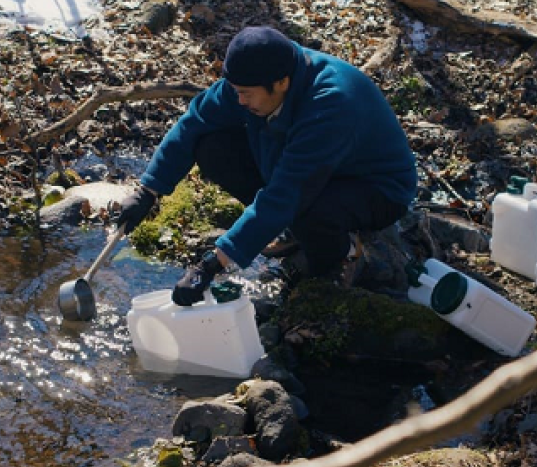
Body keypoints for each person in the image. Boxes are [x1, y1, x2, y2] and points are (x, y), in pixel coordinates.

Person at [118, 26, 417, 306]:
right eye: (235, 90)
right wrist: (148, 191)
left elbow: (287, 193)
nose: (239, 99)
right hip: (306, 168)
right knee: (212, 147)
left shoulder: (331, 103)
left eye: (246, 93)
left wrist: (212, 264)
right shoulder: (253, 79)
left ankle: (344, 254)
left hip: (376, 188)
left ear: (282, 83)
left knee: (309, 211)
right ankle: (288, 231)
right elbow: (193, 124)